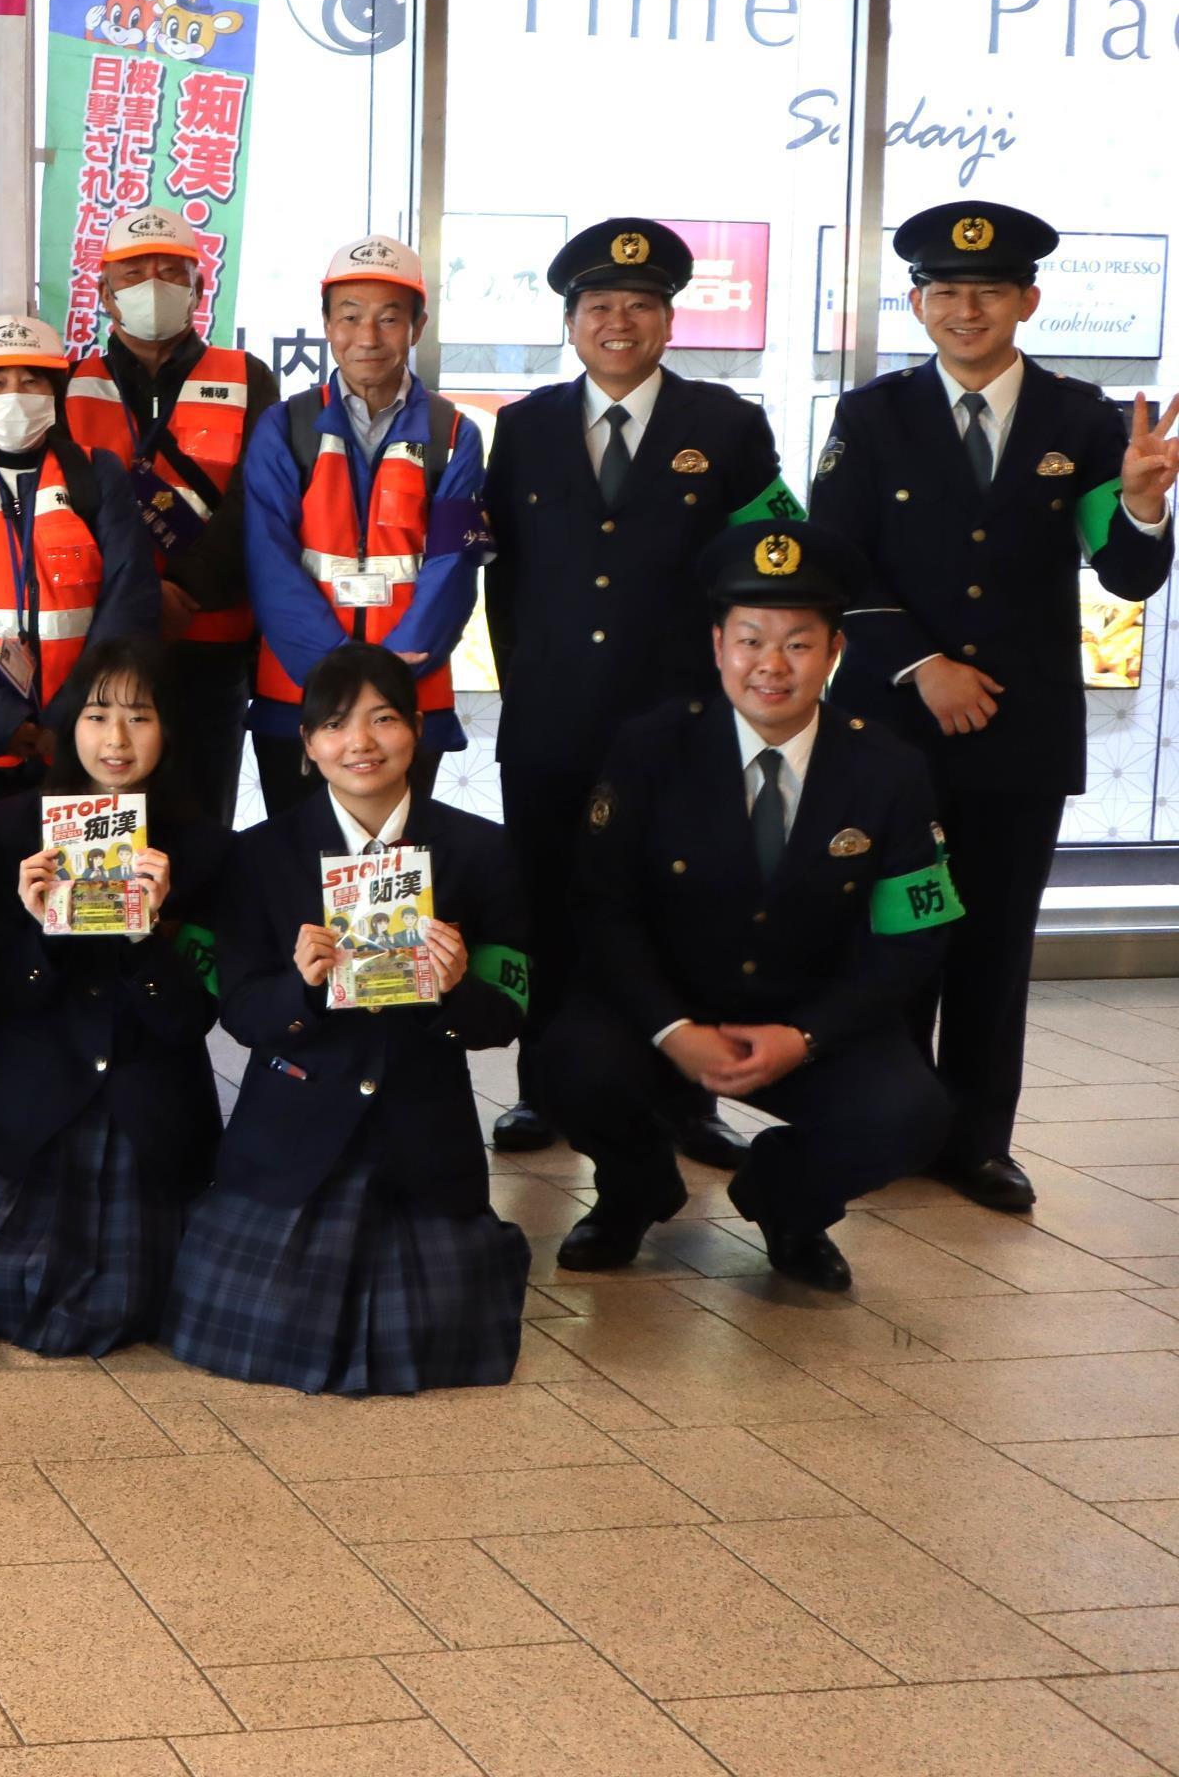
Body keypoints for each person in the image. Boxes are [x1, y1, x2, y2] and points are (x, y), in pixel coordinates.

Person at [812, 200, 1177, 1213]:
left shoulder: (1085, 418)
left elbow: (1129, 571)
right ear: (919, 302)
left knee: (993, 939)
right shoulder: (871, 415)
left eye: (987, 290)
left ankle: (977, 1140)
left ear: (1028, 299)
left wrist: (1143, 500)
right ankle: (887, 1125)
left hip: (1022, 730)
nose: (964, 307)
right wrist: (921, 662)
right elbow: (835, 564)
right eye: (944, 290)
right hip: (891, 725)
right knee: (892, 934)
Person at [529, 524, 959, 1291]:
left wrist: (807, 1035)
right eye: (751, 639)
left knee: (911, 1114)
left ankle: (785, 1201)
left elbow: (912, 938)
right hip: (666, 1012)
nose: (771, 665)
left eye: (797, 643)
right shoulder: (651, 748)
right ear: (718, 645)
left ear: (834, 652)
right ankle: (633, 1191)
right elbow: (601, 906)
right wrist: (671, 1027)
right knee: (568, 1063)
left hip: (804, 1020)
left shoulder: (888, 769)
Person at [482, 220, 799, 1163]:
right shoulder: (526, 424)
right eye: (599, 307)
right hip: (548, 719)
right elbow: (502, 572)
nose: (618, 322)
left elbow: (770, 560)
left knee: (679, 907)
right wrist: (523, 683)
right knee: (546, 900)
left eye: (640, 306)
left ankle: (684, 1097)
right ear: (570, 323)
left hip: (682, 725)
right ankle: (544, 1090)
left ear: (669, 321)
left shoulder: (727, 425)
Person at [164, 642, 533, 1396]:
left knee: (450, 1341)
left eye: (384, 719)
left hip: (422, 1129)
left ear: (419, 729)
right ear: (306, 746)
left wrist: (454, 988)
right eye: (334, 725)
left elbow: (507, 1013)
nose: (360, 744)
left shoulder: (481, 851)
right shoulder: (258, 856)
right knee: (246, 1326)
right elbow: (238, 1010)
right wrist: (299, 989)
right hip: (292, 1126)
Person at [0, 634, 225, 1354]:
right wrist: (40, 931)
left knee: (147, 1306)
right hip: (35, 1093)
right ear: (69, 725)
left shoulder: (202, 845)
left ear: (169, 729)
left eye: (140, 716)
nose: (116, 738)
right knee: (3, 1296)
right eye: (98, 714)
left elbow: (194, 1018)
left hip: (149, 1100)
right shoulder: (10, 827)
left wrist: (148, 938)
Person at [240, 239, 489, 818]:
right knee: (298, 855)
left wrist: (392, 676)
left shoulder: (454, 433)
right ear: (326, 323)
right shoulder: (287, 425)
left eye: (389, 318)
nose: (368, 337)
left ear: (417, 326)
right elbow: (268, 559)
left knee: (397, 866)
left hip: (411, 691)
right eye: (349, 317)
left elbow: (454, 565)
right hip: (301, 691)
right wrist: (334, 676)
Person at [0, 312, 160, 801]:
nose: (14, 395)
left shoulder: (97, 474)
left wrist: (68, 719)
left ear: (54, 396)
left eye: (32, 381)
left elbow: (130, 599)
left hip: (80, 743)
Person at [64, 207, 263, 819]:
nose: (152, 284)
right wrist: (140, 599)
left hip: (211, 638)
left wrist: (183, 590)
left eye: (172, 272)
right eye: (132, 273)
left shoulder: (246, 376)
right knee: (105, 814)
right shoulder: (68, 383)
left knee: (203, 807)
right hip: (104, 644)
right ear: (102, 293)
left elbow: (253, 503)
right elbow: (61, 510)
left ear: (200, 288)